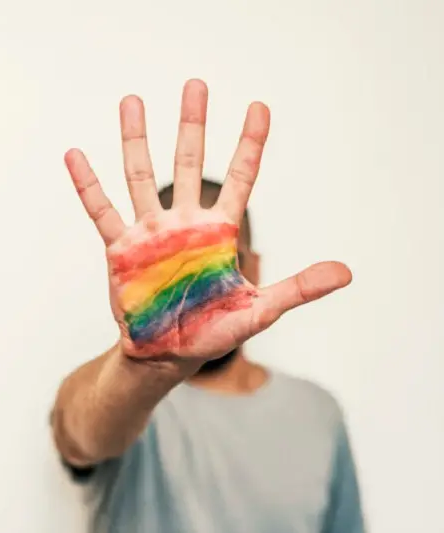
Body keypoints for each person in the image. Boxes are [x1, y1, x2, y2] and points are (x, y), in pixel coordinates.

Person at [50, 78, 365, 533]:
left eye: (220, 267)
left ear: (252, 268)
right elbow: (76, 430)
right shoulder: (131, 402)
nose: (197, 297)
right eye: (174, 274)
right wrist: (145, 370)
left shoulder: (318, 413)